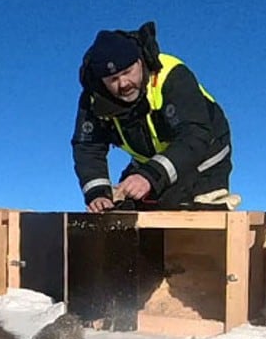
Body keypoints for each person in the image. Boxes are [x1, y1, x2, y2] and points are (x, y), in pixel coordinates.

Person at [71, 22, 234, 212]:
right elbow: (88, 147)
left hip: (203, 158)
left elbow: (194, 135)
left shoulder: (171, 75)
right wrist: (97, 193)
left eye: (127, 72)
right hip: (151, 163)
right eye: (113, 79)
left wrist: (150, 176)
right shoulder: (94, 99)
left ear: (140, 62)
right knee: (121, 212)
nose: (123, 83)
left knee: (184, 215)